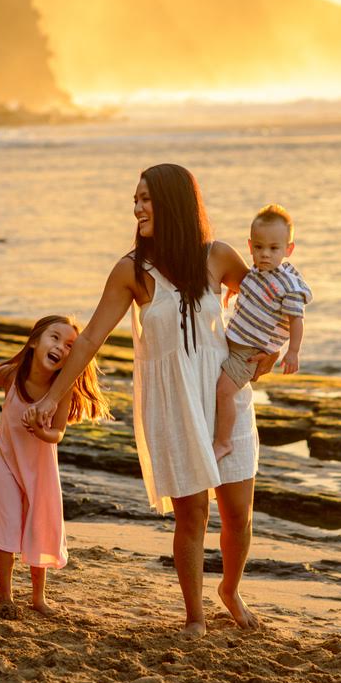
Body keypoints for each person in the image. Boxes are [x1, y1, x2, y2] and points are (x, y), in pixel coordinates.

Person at [24, 164, 275, 638]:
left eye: (145, 199)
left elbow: (263, 300)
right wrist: (53, 397)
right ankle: (196, 615)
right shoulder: (131, 271)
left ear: (175, 202)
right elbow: (91, 337)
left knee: (239, 512)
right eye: (134, 200)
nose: (136, 208)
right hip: (174, 405)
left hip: (225, 397)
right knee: (193, 515)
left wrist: (271, 349)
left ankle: (231, 589)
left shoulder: (218, 256)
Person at [0, 315, 111, 616]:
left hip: (40, 471)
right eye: (55, 338)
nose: (61, 347)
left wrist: (40, 430)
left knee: (39, 527)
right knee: (7, 525)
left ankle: (38, 598)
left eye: (70, 345)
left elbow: (57, 434)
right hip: (6, 460)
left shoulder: (62, 391)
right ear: (34, 341)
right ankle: (5, 596)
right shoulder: (12, 374)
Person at [212, 204, 312, 460]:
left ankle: (224, 442)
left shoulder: (288, 286)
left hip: (250, 352)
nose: (265, 254)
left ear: (289, 249)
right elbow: (251, 286)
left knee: (224, 392)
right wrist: (238, 292)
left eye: (273, 248)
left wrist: (292, 352)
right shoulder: (259, 270)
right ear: (250, 246)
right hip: (235, 341)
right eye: (258, 247)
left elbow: (296, 320)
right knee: (218, 389)